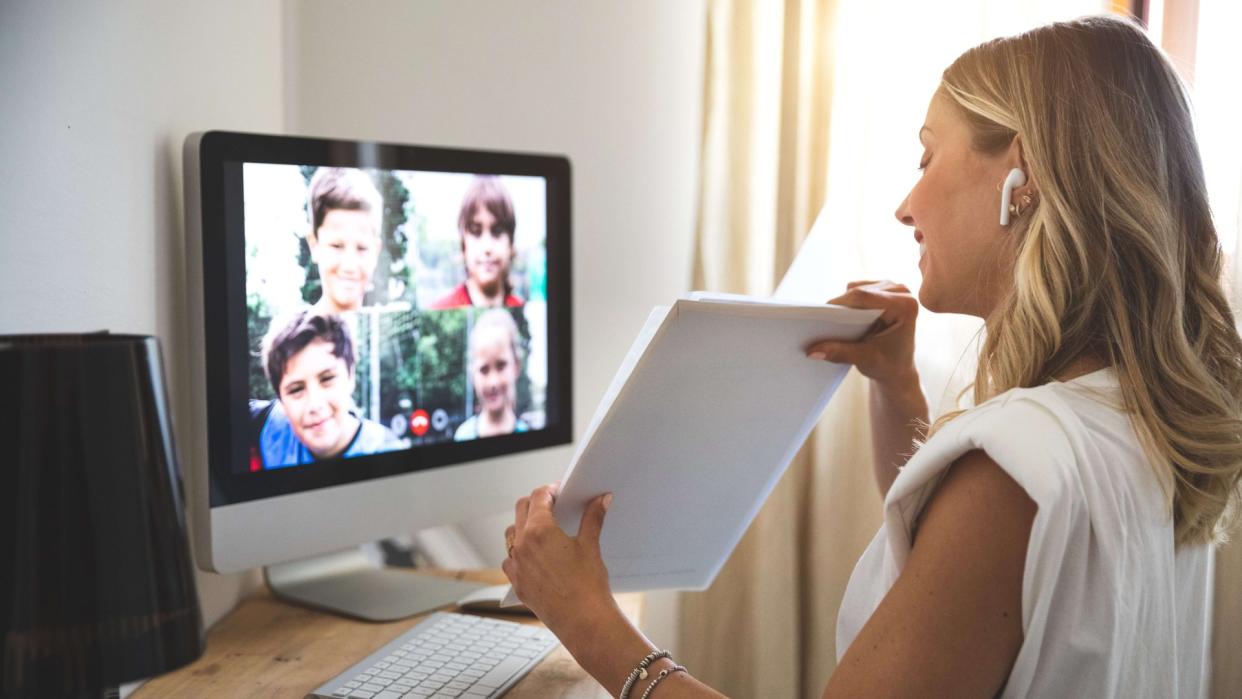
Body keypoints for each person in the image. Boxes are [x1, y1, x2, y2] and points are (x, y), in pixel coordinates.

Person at [498, 15, 1242, 698]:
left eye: (927, 156)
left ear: (1025, 176)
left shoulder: (1015, 467)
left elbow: (984, 541)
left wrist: (589, 620)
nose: (906, 204)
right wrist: (896, 384)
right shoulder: (1144, 418)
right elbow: (973, 585)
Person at [249, 309, 402, 469]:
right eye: (296, 390)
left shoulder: (389, 453)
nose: (315, 404)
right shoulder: (266, 427)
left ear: (351, 376)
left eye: (327, 379)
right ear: (281, 400)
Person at [429, 176, 525, 309]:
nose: (487, 247)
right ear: (463, 244)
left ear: (511, 243)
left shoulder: (523, 309)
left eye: (497, 232)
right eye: (476, 232)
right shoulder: (442, 308)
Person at [306, 167, 384, 314]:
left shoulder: (384, 335)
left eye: (361, 248)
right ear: (314, 245)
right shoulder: (292, 336)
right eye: (337, 246)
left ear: (376, 252)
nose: (350, 266)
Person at [454, 309, 530, 440]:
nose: (493, 382)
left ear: (516, 366)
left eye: (501, 366)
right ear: (472, 373)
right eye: (484, 370)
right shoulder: (462, 436)